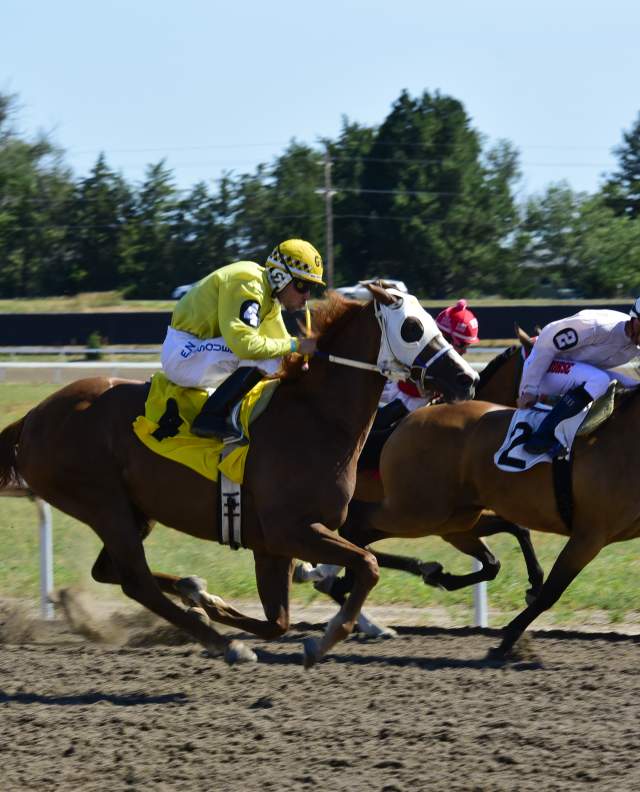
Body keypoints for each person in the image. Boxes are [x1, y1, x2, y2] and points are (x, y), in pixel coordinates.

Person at [161, 238, 323, 441]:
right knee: (265, 357)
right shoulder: (248, 282)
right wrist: (298, 345)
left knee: (277, 356)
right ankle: (209, 418)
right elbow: (245, 346)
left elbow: (284, 346)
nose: (307, 296)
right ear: (281, 276)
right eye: (302, 285)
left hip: (199, 352)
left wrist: (307, 358)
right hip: (182, 353)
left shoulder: (269, 300)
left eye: (311, 288)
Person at [518, 300, 640, 456]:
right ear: (635, 318)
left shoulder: (635, 341)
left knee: (632, 386)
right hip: (544, 369)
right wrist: (529, 387)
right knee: (599, 379)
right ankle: (542, 437)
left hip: (576, 373)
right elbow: (548, 337)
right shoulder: (601, 326)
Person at [374, 299, 480, 428]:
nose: (465, 351)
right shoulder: (417, 353)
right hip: (396, 401)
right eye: (462, 344)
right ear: (446, 338)